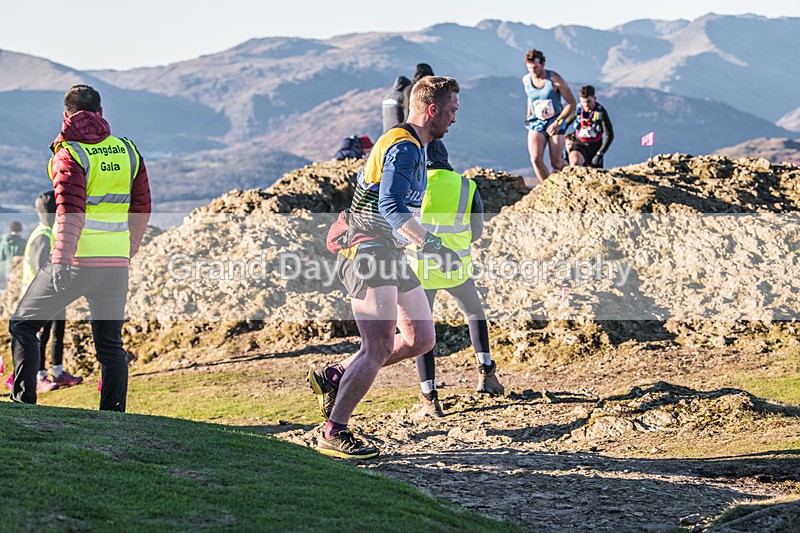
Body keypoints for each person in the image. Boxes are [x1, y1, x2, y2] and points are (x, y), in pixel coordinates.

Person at [309, 76, 462, 459]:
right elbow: (391, 207)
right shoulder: (405, 148)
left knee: (420, 338)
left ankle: (335, 375)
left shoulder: (412, 145)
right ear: (433, 111)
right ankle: (333, 431)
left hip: (388, 250)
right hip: (368, 249)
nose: (455, 119)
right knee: (376, 346)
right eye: (453, 110)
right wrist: (431, 245)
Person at [8, 84, 151, 411]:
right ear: (101, 112)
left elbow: (70, 211)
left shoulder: (70, 153)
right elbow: (142, 206)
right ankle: (113, 416)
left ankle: (23, 407)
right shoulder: (128, 150)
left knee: (23, 325)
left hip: (75, 262)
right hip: (115, 263)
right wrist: (129, 249)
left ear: (66, 115)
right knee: (110, 345)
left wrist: (59, 261)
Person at [405, 140, 504, 418]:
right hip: (457, 268)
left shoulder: (415, 186)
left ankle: (429, 398)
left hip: (421, 270)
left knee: (422, 333)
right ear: (447, 160)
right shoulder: (466, 186)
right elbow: (477, 231)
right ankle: (486, 374)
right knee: (474, 313)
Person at [523, 49, 576, 185]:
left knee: (556, 162)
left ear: (543, 64)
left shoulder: (554, 79)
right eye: (529, 68)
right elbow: (531, 97)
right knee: (536, 160)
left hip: (555, 121)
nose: (533, 71)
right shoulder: (526, 80)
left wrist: (558, 122)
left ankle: (577, 179)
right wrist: (528, 113)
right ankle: (548, 188)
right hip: (537, 122)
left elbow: (571, 104)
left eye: (535, 67)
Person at [567, 85, 614, 169]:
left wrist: (600, 153)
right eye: (583, 102)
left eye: (588, 101)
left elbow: (609, 135)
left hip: (595, 147)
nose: (586, 105)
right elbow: (566, 123)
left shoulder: (601, 112)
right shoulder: (577, 110)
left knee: (594, 172)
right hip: (579, 144)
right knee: (575, 163)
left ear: (594, 98)